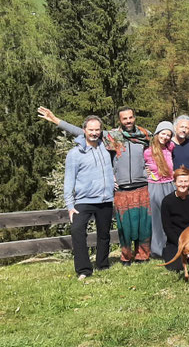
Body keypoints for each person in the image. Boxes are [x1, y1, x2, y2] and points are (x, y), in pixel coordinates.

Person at [39, 106, 152, 265]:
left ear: (134, 117)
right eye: (124, 118)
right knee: (124, 226)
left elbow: (156, 153)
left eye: (130, 117)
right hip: (120, 189)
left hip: (140, 186)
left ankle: (138, 257)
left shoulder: (146, 136)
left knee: (142, 224)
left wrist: (150, 170)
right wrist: (56, 120)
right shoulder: (111, 137)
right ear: (119, 120)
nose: (128, 121)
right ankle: (124, 257)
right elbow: (81, 132)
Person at [63, 115, 114, 279]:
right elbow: (69, 180)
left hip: (105, 199)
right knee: (77, 231)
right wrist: (70, 205)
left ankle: (102, 264)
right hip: (83, 201)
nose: (94, 133)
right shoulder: (75, 154)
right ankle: (84, 269)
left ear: (101, 130)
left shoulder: (106, 147)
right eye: (91, 129)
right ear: (84, 130)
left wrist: (113, 181)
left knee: (104, 234)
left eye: (97, 129)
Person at [160, 168, 189, 271]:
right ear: (175, 182)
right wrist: (182, 245)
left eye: (186, 181)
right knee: (175, 267)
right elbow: (167, 228)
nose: (183, 184)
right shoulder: (167, 201)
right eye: (180, 181)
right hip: (176, 240)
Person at [145, 121, 175, 257]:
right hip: (155, 186)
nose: (165, 137)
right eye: (163, 133)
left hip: (170, 185)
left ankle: (171, 245)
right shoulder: (148, 151)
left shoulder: (170, 148)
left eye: (168, 135)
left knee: (169, 217)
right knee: (156, 218)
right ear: (157, 134)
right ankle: (157, 249)